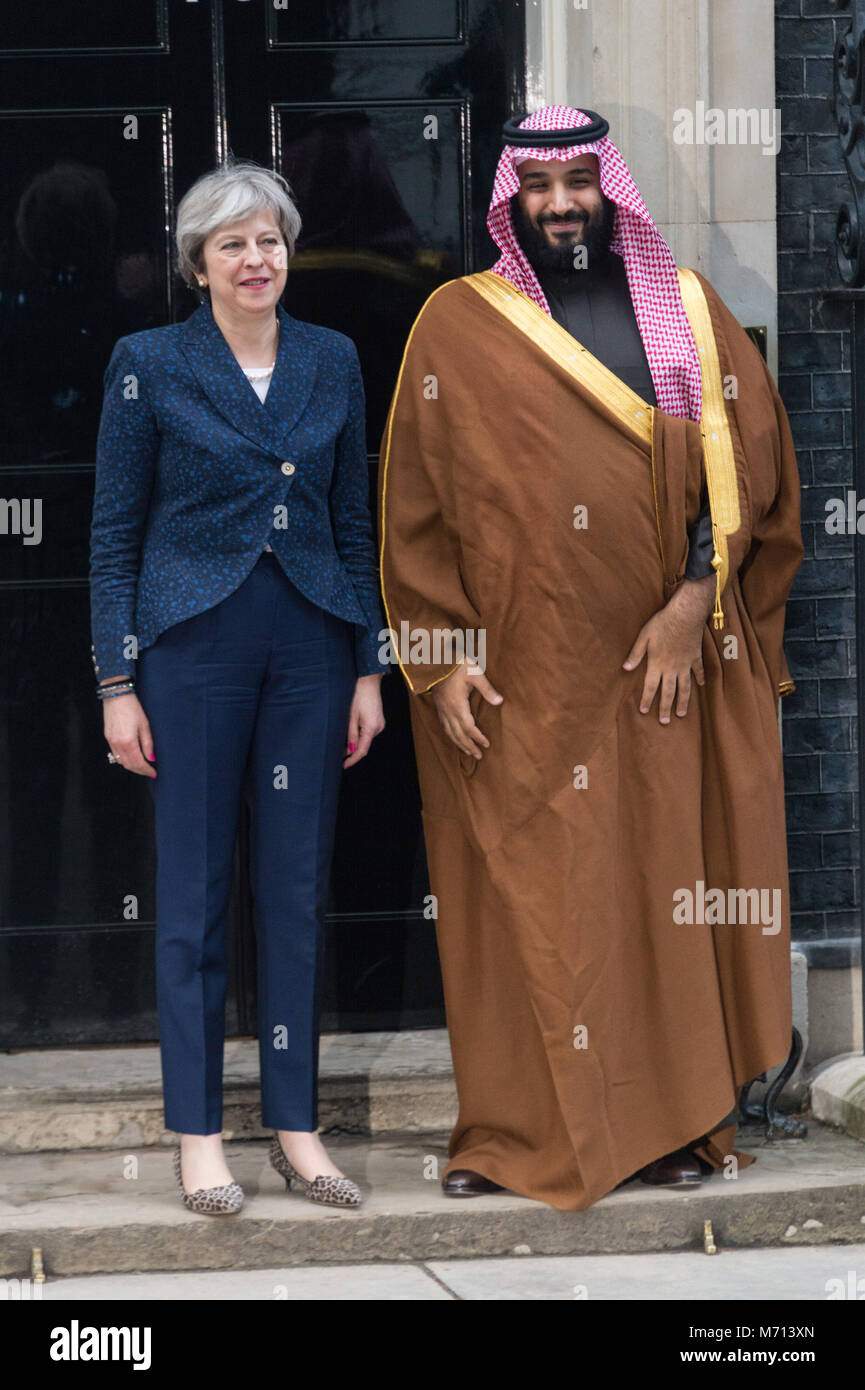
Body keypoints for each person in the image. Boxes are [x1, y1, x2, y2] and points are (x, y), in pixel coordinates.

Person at [378, 106, 803, 1210]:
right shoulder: (455, 326)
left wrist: (694, 600)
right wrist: (439, 659)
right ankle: (507, 1131)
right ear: (509, 201)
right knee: (521, 892)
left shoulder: (692, 319)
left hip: (661, 672)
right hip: (516, 674)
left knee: (659, 892)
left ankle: (669, 1126)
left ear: (610, 191)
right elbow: (415, 509)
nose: (562, 202)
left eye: (580, 182)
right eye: (540, 186)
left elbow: (749, 479)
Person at [89, 158, 387, 1215]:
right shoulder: (147, 362)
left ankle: (299, 1132)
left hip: (310, 640)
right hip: (192, 649)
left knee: (296, 892)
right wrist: (117, 681)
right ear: (198, 265)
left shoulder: (333, 358)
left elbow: (354, 520)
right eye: (232, 245)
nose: (255, 260)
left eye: (268, 241)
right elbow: (114, 533)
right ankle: (200, 1139)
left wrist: (367, 664)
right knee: (195, 901)